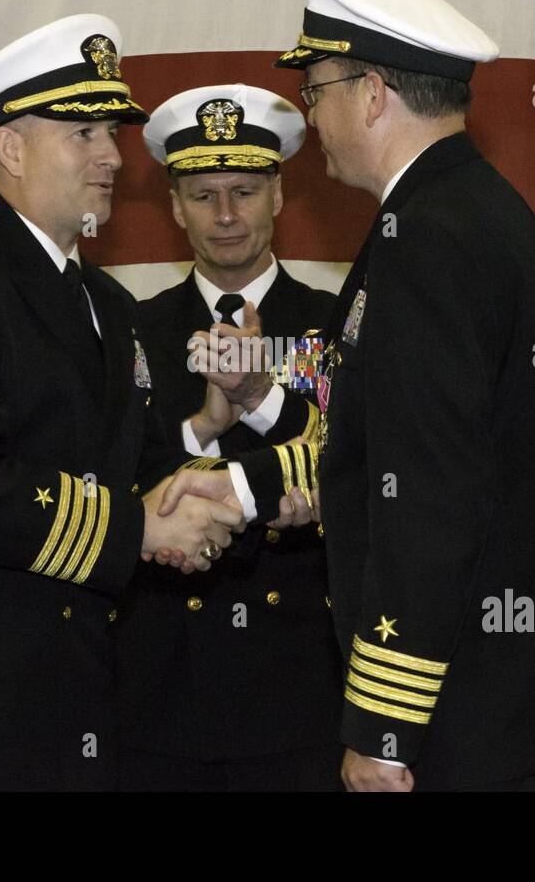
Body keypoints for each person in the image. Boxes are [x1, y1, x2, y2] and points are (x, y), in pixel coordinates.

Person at [165, 0, 535, 791]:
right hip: (524, 716)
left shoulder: (427, 242)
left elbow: (427, 491)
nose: (313, 113)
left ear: (371, 92)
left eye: (316, 90)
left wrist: (383, 725)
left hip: (480, 729)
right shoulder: (466, 212)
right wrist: (241, 489)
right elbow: (378, 445)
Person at [0, 14, 244, 791]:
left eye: (112, 133)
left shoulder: (107, 301)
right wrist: (137, 527)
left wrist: (216, 473)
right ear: (11, 148)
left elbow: (132, 458)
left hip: (75, 716)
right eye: (84, 132)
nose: (111, 156)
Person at [116, 85, 342, 790]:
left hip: (298, 688)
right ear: (174, 205)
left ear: (279, 195)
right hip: (166, 691)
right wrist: (207, 427)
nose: (225, 215)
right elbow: (120, 483)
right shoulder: (133, 331)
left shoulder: (330, 326)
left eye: (244, 190)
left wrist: (259, 398)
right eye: (202, 193)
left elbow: (360, 474)